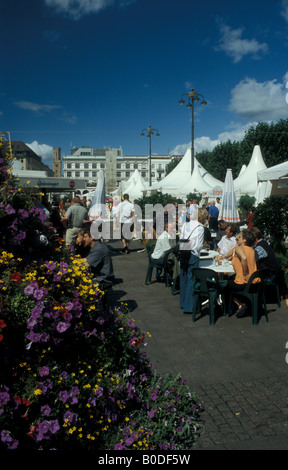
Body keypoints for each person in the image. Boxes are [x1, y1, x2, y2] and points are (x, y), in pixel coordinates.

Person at [222, 229, 259, 318]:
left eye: (240, 237)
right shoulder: (252, 250)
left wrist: (245, 274)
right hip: (254, 282)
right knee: (229, 280)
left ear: (244, 240)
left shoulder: (239, 248)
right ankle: (241, 302)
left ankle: (238, 304)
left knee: (222, 285)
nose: (237, 238)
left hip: (243, 282)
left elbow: (244, 258)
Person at [178, 208, 205, 314]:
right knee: (191, 279)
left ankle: (183, 302)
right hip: (193, 254)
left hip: (183, 252)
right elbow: (198, 245)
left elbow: (181, 238)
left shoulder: (186, 224)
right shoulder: (200, 227)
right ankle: (189, 306)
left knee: (183, 277)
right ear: (202, 218)